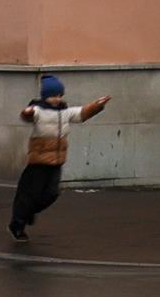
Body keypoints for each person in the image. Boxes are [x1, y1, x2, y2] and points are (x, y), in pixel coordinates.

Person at [11, 74, 105, 245]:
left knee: (52, 194)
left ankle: (28, 212)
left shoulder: (64, 112)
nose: (57, 99)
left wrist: (97, 106)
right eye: (54, 95)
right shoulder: (38, 110)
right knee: (27, 195)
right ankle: (17, 226)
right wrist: (27, 112)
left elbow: (81, 113)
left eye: (60, 95)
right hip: (38, 162)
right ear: (46, 96)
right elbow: (28, 115)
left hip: (56, 161)